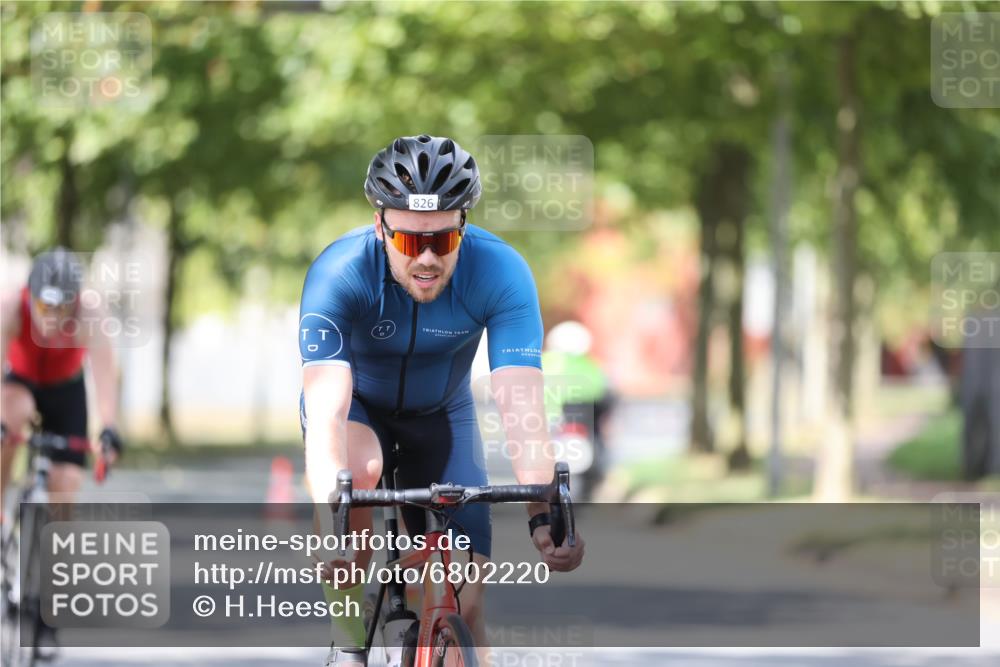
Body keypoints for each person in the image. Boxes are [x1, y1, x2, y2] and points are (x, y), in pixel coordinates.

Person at [299, 135, 585, 666]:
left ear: (463, 226)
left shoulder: (501, 272)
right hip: (360, 411)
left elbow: (522, 407)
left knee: (466, 602)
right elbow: (326, 412)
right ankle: (348, 639)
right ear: (381, 225)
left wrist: (545, 516)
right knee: (358, 472)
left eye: (443, 240)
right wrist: (329, 519)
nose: (427, 258)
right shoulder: (339, 273)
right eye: (410, 242)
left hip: (442, 418)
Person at [0, 248, 123, 658]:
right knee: (8, 419)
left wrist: (108, 428)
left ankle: (49, 610)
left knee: (66, 485)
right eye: (44, 305)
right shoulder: (10, 308)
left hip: (66, 392)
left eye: (62, 306)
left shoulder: (89, 312)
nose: (53, 317)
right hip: (20, 383)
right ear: (30, 295)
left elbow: (105, 372)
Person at [542, 320, 614, 500]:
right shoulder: (592, 366)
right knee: (597, 444)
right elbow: (607, 396)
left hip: (553, 422)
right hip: (580, 423)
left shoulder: (543, 362)